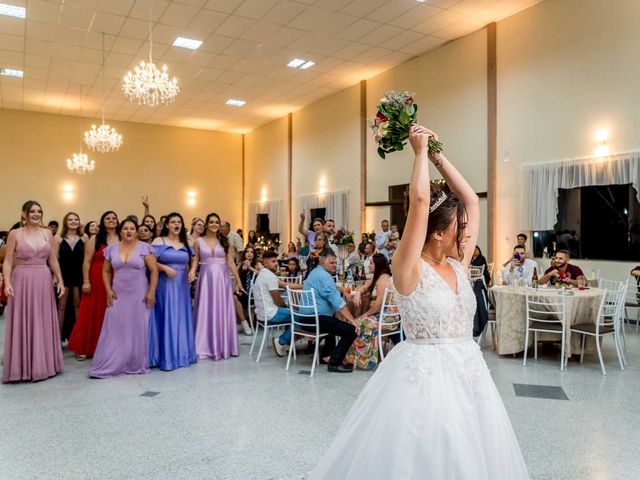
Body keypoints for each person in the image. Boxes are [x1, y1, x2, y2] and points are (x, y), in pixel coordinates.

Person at [309, 125, 528, 479]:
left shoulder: (458, 262)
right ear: (438, 231)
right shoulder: (407, 268)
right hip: (423, 378)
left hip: (469, 375)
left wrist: (438, 153)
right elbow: (422, 201)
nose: (468, 227)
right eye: (461, 224)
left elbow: (471, 199)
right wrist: (419, 152)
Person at [2, 201, 65, 383]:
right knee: (24, 319)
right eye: (32, 211)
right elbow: (7, 260)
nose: (36, 214)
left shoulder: (47, 233)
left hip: (44, 279)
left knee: (43, 319)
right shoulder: (15, 234)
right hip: (21, 279)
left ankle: (44, 364)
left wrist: (60, 280)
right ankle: (21, 366)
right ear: (24, 214)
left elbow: (53, 259)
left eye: (39, 211)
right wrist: (7, 283)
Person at [90, 219, 158, 378]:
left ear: (136, 231)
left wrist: (151, 291)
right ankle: (114, 360)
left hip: (139, 293)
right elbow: (106, 271)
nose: (129, 231)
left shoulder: (145, 248)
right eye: (125, 228)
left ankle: (134, 361)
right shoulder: (111, 249)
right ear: (120, 231)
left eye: (132, 228)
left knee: (136, 327)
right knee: (115, 327)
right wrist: (108, 290)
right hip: (118, 293)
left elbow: (154, 271)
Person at [190, 212, 245, 360]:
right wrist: (192, 271)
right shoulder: (198, 242)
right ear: (207, 224)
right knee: (205, 310)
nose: (214, 224)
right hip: (205, 279)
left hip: (222, 280)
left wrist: (238, 281)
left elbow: (231, 262)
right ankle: (203, 346)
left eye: (217, 222)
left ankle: (222, 345)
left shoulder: (225, 242)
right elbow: (195, 260)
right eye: (211, 222)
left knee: (221, 310)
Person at [148, 213, 197, 371]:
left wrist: (192, 271)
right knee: (167, 316)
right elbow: (150, 260)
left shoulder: (186, 242)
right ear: (167, 225)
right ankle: (166, 357)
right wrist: (164, 268)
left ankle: (182, 355)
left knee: (181, 317)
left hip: (182, 284)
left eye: (179, 222)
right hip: (165, 284)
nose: (176, 224)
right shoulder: (158, 241)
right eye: (173, 222)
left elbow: (193, 259)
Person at [68, 211, 119, 360]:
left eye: (114, 218)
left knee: (112, 312)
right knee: (92, 311)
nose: (111, 220)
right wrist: (86, 281)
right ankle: (86, 347)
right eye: (108, 218)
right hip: (96, 278)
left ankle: (111, 346)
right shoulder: (95, 239)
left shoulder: (122, 238)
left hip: (116, 278)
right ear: (102, 222)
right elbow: (87, 261)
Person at [302, 251, 358, 373]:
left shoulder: (315, 272)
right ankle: (334, 363)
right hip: (315, 319)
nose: (334, 265)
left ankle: (326, 355)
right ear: (322, 262)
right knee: (351, 330)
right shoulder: (324, 276)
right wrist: (353, 321)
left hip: (304, 318)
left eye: (335, 263)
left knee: (333, 320)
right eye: (331, 262)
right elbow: (337, 302)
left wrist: (340, 290)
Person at [345, 253, 395, 370]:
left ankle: (366, 360)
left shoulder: (383, 280)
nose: (369, 266)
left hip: (387, 317)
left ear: (378, 265)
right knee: (357, 321)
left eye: (371, 263)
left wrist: (365, 314)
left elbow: (378, 305)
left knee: (361, 322)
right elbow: (363, 287)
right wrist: (357, 293)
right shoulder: (376, 277)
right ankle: (355, 357)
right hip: (380, 313)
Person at [253, 251, 302, 357]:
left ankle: (288, 344)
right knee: (300, 317)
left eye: (277, 261)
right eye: (273, 261)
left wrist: (304, 286)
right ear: (265, 263)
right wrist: (288, 307)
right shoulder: (269, 276)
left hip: (262, 313)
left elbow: (285, 285)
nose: (276, 264)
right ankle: (281, 341)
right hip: (271, 313)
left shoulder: (263, 273)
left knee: (291, 314)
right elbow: (278, 301)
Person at [53, 212, 88, 341]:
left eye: (76, 219)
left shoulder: (85, 237)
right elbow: (54, 259)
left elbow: (87, 259)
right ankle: (56, 338)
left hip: (79, 274)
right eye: (70, 219)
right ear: (65, 222)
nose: (73, 221)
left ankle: (78, 339)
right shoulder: (57, 238)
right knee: (61, 305)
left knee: (78, 304)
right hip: (64, 274)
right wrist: (56, 277)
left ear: (79, 222)